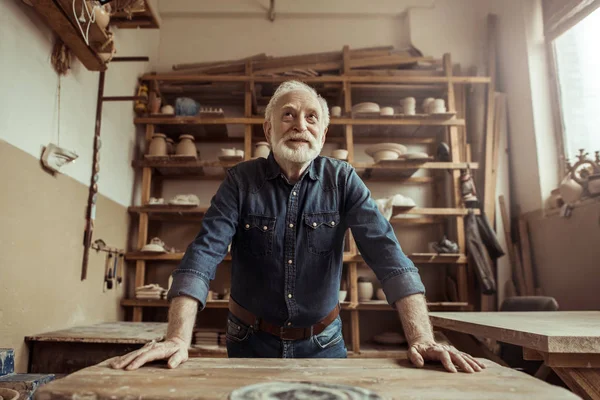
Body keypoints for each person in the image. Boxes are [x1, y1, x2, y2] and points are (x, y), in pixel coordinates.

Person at [111, 81, 485, 373]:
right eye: (287, 115)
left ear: (322, 134)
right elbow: (203, 254)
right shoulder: (240, 181)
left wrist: (421, 338)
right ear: (268, 127)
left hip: (323, 343)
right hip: (249, 342)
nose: (299, 125)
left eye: (310, 118)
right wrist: (177, 337)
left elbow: (388, 256)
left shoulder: (344, 180)